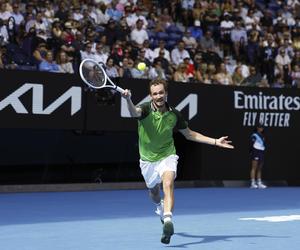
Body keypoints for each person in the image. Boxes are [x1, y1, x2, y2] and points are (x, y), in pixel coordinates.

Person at [121, 79, 234, 244]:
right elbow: (133, 113)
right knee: (153, 193)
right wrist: (127, 99)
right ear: (151, 96)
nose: (158, 96)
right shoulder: (145, 109)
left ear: (166, 93)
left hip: (167, 155)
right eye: (155, 94)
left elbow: (190, 134)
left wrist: (216, 141)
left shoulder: (175, 114)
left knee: (168, 183)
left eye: (161, 92)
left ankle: (167, 221)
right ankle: (160, 207)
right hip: (147, 161)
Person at [249, 123, 267, 189]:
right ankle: (253, 183)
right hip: (255, 152)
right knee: (254, 167)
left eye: (262, 127)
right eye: (260, 127)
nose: (261, 129)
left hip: (261, 152)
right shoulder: (254, 135)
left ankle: (259, 183)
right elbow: (251, 144)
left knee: (260, 168)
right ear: (257, 128)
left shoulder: (263, 136)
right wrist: (251, 152)